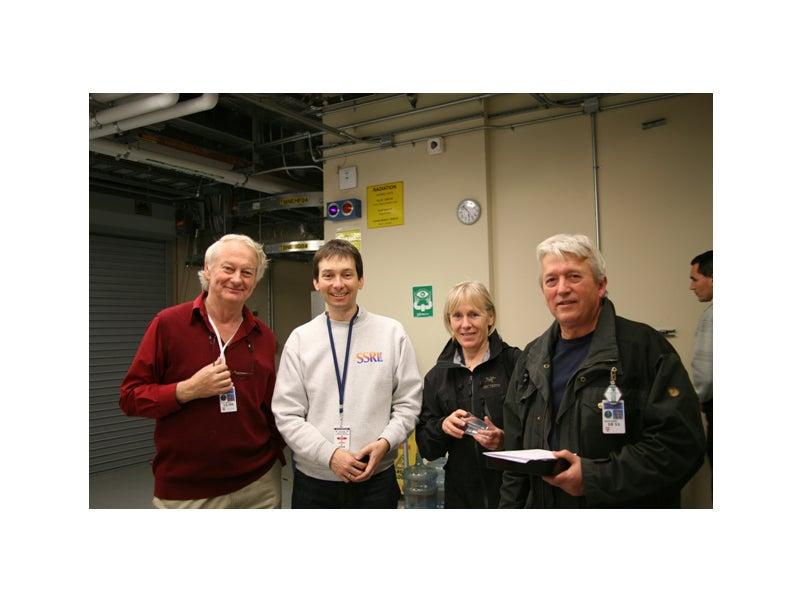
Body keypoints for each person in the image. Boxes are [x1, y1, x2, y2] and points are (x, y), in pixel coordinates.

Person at [499, 233, 705, 508]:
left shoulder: (645, 349)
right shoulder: (531, 358)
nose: (562, 289)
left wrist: (595, 477)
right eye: (551, 280)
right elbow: (517, 455)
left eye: (573, 277)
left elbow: (681, 447)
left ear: (601, 285)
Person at [120, 234, 285, 509]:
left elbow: (270, 406)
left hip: (260, 483)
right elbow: (130, 397)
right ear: (208, 270)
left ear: (255, 281)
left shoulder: (263, 336)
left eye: (247, 272)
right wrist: (187, 390)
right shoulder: (169, 325)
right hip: (189, 490)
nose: (237, 279)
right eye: (228, 268)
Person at [271, 239, 422, 508]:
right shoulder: (300, 339)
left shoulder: (391, 333)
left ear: (361, 280)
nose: (338, 284)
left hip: (376, 479)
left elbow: (408, 403)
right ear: (316, 283)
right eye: (328, 275)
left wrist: (385, 443)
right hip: (314, 482)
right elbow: (286, 414)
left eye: (347, 274)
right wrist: (330, 455)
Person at [416, 281, 520, 508]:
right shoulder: (437, 377)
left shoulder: (515, 364)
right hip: (460, 497)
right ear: (449, 321)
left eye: (474, 314)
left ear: (490, 317)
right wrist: (443, 426)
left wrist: (504, 440)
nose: (465, 325)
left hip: (511, 494)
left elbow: (536, 430)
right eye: (457, 316)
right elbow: (426, 448)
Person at [689, 250, 713, 467]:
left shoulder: (712, 316)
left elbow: (706, 375)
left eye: (695, 279)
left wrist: (697, 399)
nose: (692, 286)